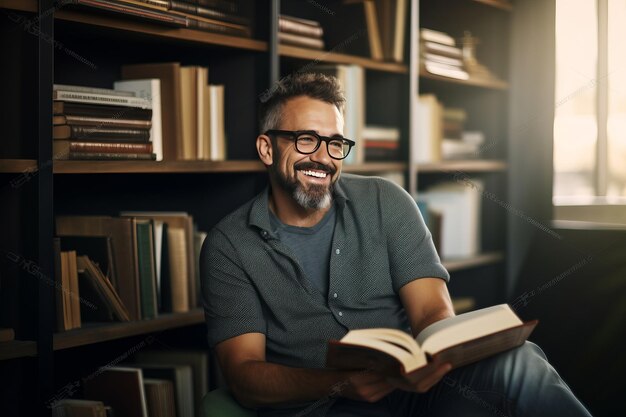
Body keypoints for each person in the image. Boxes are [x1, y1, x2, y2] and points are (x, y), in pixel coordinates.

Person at [200, 73, 592, 417]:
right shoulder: (229, 246)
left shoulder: (387, 202)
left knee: (520, 359)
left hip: (422, 397)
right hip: (325, 407)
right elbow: (244, 376)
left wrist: (437, 354)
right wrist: (338, 384)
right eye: (306, 140)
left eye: (335, 143)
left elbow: (432, 311)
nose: (323, 157)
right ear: (267, 149)